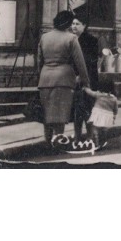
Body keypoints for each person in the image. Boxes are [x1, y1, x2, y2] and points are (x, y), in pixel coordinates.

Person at [37, 10, 91, 150]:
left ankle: (48, 142)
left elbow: (39, 60)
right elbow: (80, 63)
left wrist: (40, 77)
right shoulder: (71, 38)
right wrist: (86, 82)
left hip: (45, 78)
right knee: (60, 114)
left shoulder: (44, 37)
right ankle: (58, 144)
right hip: (64, 79)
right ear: (67, 23)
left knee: (47, 114)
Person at [71, 11, 99, 141]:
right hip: (74, 79)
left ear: (84, 26)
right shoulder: (71, 40)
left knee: (88, 108)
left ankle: (90, 136)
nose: (74, 26)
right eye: (73, 23)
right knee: (77, 110)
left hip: (88, 80)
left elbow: (90, 61)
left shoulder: (91, 40)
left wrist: (80, 75)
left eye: (77, 24)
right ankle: (77, 136)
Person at [74, 85, 118, 152]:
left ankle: (96, 144)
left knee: (95, 129)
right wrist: (114, 115)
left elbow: (90, 92)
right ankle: (102, 142)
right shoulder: (114, 98)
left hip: (98, 114)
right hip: (107, 116)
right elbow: (115, 109)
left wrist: (85, 88)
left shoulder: (99, 95)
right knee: (104, 130)